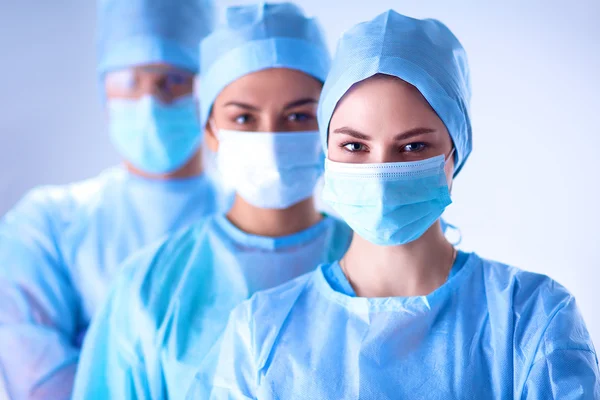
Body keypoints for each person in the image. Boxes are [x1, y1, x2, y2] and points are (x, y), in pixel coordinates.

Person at [193, 10, 600, 399]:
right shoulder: (259, 334)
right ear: (326, 152)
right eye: (355, 145)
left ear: (456, 153)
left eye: (412, 146)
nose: (381, 171)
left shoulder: (530, 319)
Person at [72, 3, 352, 399]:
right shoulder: (150, 286)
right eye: (243, 118)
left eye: (298, 116)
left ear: (332, 126)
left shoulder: (377, 263)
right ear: (209, 129)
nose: (270, 138)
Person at [0, 0, 217, 398]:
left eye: (172, 80)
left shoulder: (255, 223)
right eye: (131, 82)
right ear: (105, 94)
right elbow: (39, 382)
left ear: (210, 91)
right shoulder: (45, 223)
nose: (151, 103)